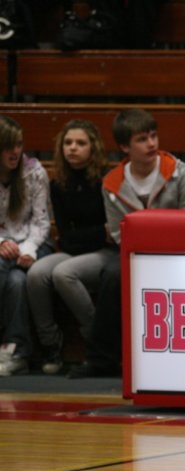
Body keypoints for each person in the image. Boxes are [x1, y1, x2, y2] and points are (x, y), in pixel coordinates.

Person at [68, 108, 185, 379]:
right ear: (125, 147)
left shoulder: (179, 172)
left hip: (179, 252)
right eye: (142, 139)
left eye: (153, 136)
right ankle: (102, 360)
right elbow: (118, 233)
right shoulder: (111, 183)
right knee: (112, 275)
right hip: (135, 253)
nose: (151, 144)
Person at [25, 120, 115, 375]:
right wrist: (97, 233)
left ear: (93, 147)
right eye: (68, 143)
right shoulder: (59, 184)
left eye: (80, 143)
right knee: (36, 273)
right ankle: (50, 343)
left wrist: (91, 235)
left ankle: (98, 340)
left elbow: (112, 234)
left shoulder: (107, 180)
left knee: (63, 273)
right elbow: (66, 237)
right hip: (75, 250)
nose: (73, 148)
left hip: (106, 253)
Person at [0, 116, 53, 376]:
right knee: (16, 282)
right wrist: (2, 243)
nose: (15, 152)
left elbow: (42, 222)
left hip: (35, 243)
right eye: (8, 146)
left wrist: (28, 248)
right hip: (2, 245)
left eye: (19, 144)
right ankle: (17, 351)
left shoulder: (34, 172)